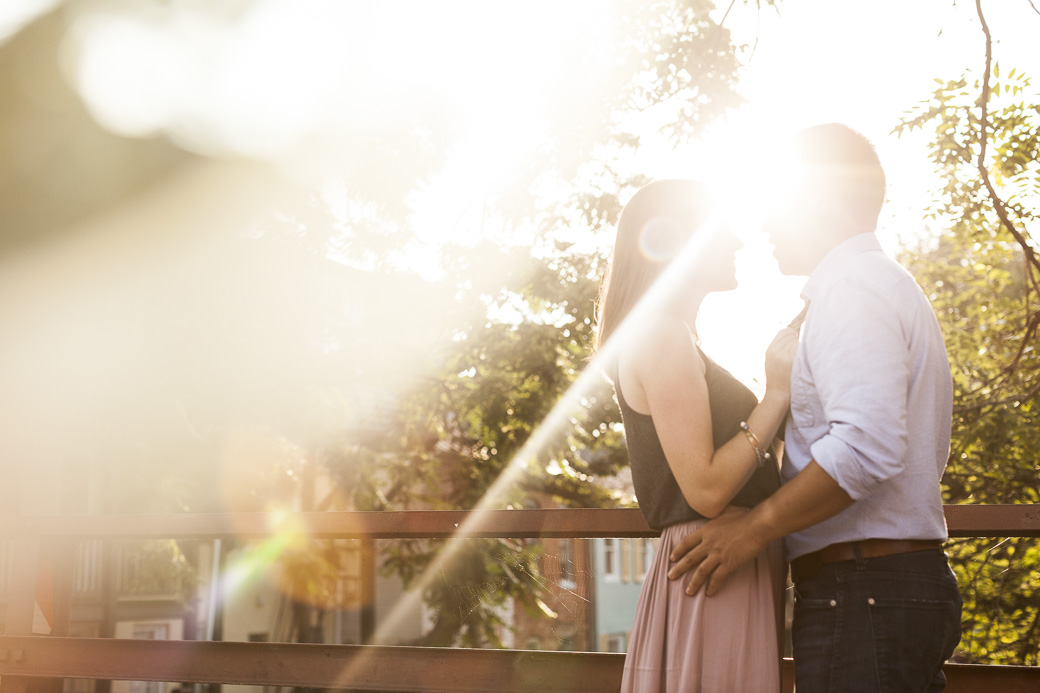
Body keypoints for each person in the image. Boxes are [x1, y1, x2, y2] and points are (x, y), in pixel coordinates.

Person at [667, 123, 963, 692]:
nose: (766, 224)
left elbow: (865, 449)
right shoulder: (868, 286)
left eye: (778, 203)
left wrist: (753, 529)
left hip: (864, 590)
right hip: (872, 589)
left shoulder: (854, 289)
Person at [595, 178, 799, 692]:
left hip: (724, 562)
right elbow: (706, 489)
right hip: (713, 564)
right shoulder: (661, 334)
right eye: (722, 230)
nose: (736, 242)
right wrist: (775, 396)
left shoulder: (673, 335)